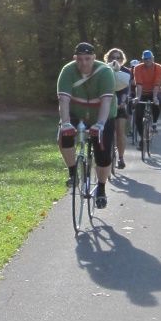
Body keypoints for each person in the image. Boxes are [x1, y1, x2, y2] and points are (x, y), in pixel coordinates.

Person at [57, 42, 117, 209]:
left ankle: (101, 189)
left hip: (102, 114)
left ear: (94, 58)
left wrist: (100, 124)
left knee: (103, 153)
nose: (84, 63)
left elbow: (106, 101)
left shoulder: (105, 72)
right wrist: (66, 123)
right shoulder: (68, 71)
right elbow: (64, 100)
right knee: (64, 136)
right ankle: (72, 172)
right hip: (77, 112)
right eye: (80, 59)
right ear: (75, 58)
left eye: (88, 59)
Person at [103, 48, 132, 169]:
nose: (115, 60)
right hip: (106, 105)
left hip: (120, 103)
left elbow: (126, 90)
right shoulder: (103, 70)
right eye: (112, 58)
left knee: (120, 130)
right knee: (106, 132)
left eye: (118, 58)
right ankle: (105, 155)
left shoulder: (126, 72)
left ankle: (120, 158)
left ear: (122, 60)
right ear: (108, 59)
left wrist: (123, 102)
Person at [133, 49, 161, 143]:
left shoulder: (159, 68)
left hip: (154, 90)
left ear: (153, 58)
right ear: (142, 60)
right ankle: (142, 137)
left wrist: (154, 97)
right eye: (145, 59)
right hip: (142, 92)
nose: (147, 61)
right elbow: (138, 84)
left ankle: (154, 123)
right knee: (138, 114)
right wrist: (138, 97)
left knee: (156, 104)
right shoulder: (138, 68)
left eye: (149, 59)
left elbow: (157, 83)